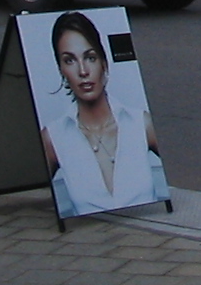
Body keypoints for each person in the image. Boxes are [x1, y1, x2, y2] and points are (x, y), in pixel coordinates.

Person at [39, 12, 168, 217]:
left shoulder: (140, 123)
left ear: (103, 63)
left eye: (90, 58)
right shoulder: (53, 137)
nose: (83, 71)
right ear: (61, 69)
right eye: (69, 60)